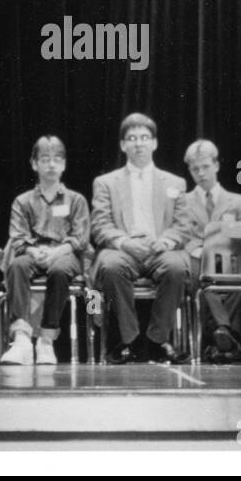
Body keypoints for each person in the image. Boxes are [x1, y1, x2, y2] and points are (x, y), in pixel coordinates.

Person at [90, 113, 190, 364]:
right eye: (132, 138)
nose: (138, 143)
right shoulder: (105, 183)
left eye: (144, 137)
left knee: (177, 267)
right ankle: (129, 341)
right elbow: (100, 225)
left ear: (154, 143)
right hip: (123, 248)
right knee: (111, 266)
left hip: (160, 249)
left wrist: (165, 241)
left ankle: (158, 340)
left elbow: (183, 226)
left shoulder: (175, 182)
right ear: (123, 145)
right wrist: (124, 242)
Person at [161, 139, 241, 363]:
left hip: (231, 259)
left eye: (205, 167)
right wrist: (199, 248)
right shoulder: (181, 201)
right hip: (198, 259)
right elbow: (179, 233)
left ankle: (222, 339)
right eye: (195, 169)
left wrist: (218, 244)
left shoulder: (237, 201)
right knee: (201, 276)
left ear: (216, 165)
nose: (201, 173)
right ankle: (227, 337)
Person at [0, 136, 90, 366]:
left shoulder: (76, 200)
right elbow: (18, 237)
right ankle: (21, 339)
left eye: (57, 159)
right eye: (45, 159)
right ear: (34, 164)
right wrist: (33, 251)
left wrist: (57, 252)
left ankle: (46, 340)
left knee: (59, 271)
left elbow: (81, 238)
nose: (51, 165)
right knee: (16, 266)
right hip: (33, 253)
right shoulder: (23, 201)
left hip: (65, 254)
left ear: (64, 164)